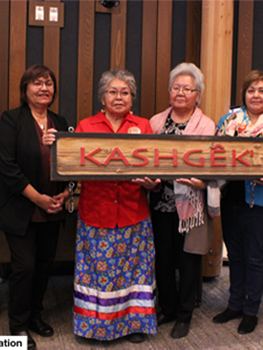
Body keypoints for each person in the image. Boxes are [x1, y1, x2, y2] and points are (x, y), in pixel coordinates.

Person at [73, 69, 157, 344]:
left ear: (132, 97)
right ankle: (95, 328)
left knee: (134, 273)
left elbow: (155, 168)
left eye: (125, 92)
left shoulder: (144, 126)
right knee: (98, 274)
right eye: (113, 91)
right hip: (97, 211)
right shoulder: (86, 126)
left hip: (134, 211)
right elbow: (75, 166)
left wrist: (152, 184)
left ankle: (133, 326)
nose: (119, 97)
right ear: (102, 96)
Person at [213, 70, 263, 334]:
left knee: (253, 257)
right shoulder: (228, 121)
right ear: (244, 94)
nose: (256, 95)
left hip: (259, 201)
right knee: (234, 255)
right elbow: (213, 154)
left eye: (262, 90)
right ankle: (235, 303)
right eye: (251, 90)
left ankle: (251, 310)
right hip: (230, 197)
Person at [0, 65, 69, 349]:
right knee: (24, 267)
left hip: (53, 206)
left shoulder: (60, 121)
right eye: (37, 83)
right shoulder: (12, 119)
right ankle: (18, 326)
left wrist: (63, 193)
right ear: (25, 89)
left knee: (44, 265)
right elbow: (8, 168)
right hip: (22, 208)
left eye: (49, 83)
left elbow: (70, 163)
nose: (44, 88)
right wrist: (37, 198)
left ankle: (35, 315)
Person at [147, 63, 217, 339]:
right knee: (163, 259)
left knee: (188, 260)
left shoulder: (207, 124)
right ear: (169, 92)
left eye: (187, 89)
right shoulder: (155, 122)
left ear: (197, 95)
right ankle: (168, 307)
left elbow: (214, 164)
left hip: (191, 205)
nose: (180, 93)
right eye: (176, 87)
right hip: (160, 202)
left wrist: (203, 182)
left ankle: (185, 314)